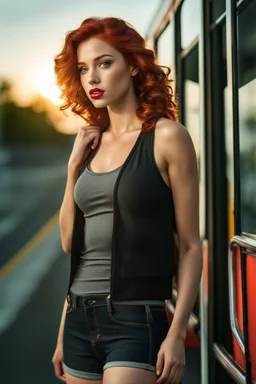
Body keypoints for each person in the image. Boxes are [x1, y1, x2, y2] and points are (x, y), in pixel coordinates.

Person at [51, 16, 202, 384]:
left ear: (133, 65)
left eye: (105, 63)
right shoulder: (89, 144)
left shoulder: (167, 137)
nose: (92, 78)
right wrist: (73, 170)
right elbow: (73, 245)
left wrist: (177, 333)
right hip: (76, 320)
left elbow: (190, 246)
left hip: (136, 321)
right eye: (84, 69)